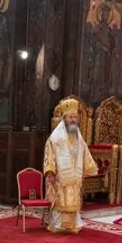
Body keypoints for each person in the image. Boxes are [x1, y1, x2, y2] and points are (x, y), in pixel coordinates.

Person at [43, 98, 99, 233]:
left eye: (75, 117)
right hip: (60, 177)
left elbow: (85, 152)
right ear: (64, 118)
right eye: (70, 117)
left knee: (73, 201)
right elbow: (49, 155)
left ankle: (73, 225)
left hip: (74, 176)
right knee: (61, 201)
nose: (73, 120)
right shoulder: (55, 138)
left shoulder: (78, 137)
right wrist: (50, 171)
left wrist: (89, 168)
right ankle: (58, 225)